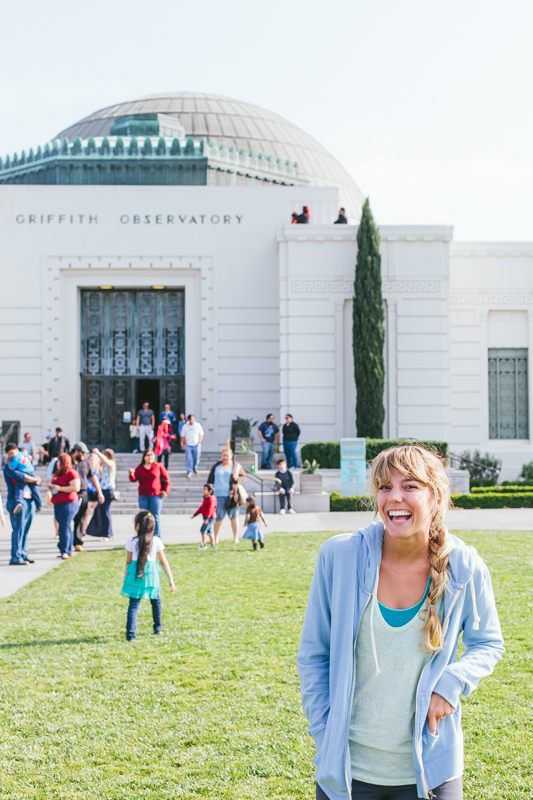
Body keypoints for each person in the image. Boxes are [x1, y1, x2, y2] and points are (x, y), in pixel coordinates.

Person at [298, 444, 504, 800]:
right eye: (384, 486)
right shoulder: (339, 556)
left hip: (430, 772)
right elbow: (314, 654)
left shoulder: (463, 566)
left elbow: (489, 643)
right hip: (348, 773)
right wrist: (324, 730)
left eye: (410, 486)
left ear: (436, 498)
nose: (394, 497)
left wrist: (451, 683)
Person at [121, 510, 175, 641]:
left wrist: (125, 578)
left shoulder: (131, 541)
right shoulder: (156, 541)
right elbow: (163, 561)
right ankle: (158, 628)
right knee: (156, 601)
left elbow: (128, 562)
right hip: (151, 576)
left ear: (138, 525)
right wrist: (171, 580)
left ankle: (130, 635)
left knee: (133, 605)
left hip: (135, 574)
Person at [3, 442, 41, 565]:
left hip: (29, 499)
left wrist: (35, 478)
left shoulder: (23, 462)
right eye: (8, 454)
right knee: (18, 529)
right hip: (17, 500)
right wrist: (35, 479)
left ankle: (24, 554)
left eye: (11, 453)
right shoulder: (8, 467)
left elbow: (30, 472)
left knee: (25, 529)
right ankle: (16, 556)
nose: (10, 456)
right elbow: (20, 477)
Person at [208, 446, 246, 545]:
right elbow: (210, 480)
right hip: (218, 496)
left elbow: (243, 477)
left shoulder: (236, 466)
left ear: (231, 456)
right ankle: (216, 538)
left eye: (227, 455)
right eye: (223, 455)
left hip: (232, 496)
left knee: (234, 517)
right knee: (218, 518)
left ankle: (235, 538)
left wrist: (237, 478)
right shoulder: (216, 466)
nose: (225, 457)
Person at [69, 443, 104, 551]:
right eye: (83, 453)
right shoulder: (67, 461)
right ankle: (65, 542)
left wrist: (99, 492)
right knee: (67, 520)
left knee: (80, 519)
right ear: (76, 451)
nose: (84, 455)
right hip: (69, 495)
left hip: (83, 494)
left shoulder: (85, 463)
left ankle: (78, 542)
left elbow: (93, 478)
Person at [129, 449, 170, 538]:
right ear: (144, 457)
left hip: (156, 495)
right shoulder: (140, 468)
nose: (150, 457)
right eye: (148, 455)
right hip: (143, 495)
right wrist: (131, 474)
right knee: (144, 517)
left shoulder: (158, 466)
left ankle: (157, 537)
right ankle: (144, 536)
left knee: (155, 516)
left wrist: (165, 491)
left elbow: (167, 479)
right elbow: (134, 479)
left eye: (151, 455)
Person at [49, 453, 81, 560]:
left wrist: (59, 488)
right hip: (58, 503)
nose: (57, 464)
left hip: (68, 504)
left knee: (64, 527)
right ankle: (66, 550)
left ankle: (65, 551)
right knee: (64, 527)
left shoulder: (72, 473)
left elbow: (75, 487)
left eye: (58, 462)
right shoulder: (57, 474)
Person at [86, 448, 116, 541]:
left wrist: (98, 453)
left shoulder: (111, 463)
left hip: (108, 489)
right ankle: (109, 534)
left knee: (106, 512)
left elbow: (107, 461)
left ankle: (107, 534)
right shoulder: (103, 465)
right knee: (103, 512)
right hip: (103, 489)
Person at [6, 446, 42, 511]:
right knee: (34, 488)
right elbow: (30, 457)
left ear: (16, 449)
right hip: (32, 471)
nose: (11, 455)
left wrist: (9, 462)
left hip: (23, 472)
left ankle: (18, 502)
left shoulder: (16, 457)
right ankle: (39, 504)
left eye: (11, 453)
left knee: (19, 487)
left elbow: (11, 467)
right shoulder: (23, 453)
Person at [191, 483, 217, 549]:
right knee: (209, 531)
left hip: (210, 518)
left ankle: (203, 544)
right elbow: (202, 507)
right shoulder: (206, 498)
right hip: (208, 518)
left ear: (210, 491)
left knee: (203, 530)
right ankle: (212, 544)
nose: (203, 491)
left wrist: (206, 518)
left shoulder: (211, 499)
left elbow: (210, 510)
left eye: (205, 489)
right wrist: (195, 514)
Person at [180, 414, 204, 478]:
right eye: (190, 419)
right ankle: (189, 471)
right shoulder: (185, 426)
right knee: (189, 458)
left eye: (192, 419)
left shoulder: (198, 425)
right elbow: (182, 436)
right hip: (188, 445)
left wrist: (199, 441)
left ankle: (195, 467)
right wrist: (183, 443)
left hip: (196, 444)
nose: (191, 421)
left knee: (196, 457)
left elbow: (201, 434)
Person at [84, 452, 101, 534]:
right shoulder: (86, 469)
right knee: (87, 512)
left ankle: (96, 528)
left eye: (94, 459)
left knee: (96, 511)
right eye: (91, 459)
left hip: (95, 491)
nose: (92, 461)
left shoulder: (99, 470)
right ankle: (85, 528)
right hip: (88, 491)